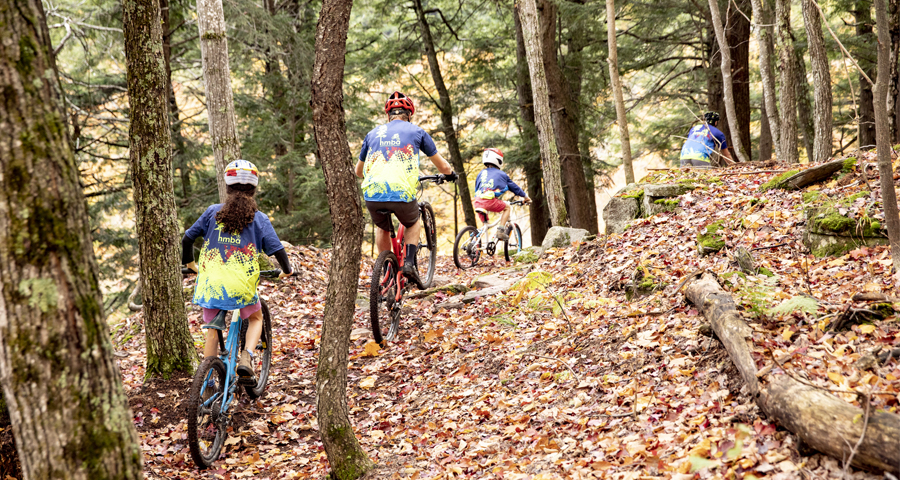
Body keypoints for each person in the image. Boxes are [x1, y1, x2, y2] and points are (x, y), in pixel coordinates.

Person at [182, 159, 292, 383]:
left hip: (210, 284)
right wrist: (287, 270)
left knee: (212, 330)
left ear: (227, 186)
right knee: (256, 318)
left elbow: (187, 237)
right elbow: (277, 249)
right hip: (241, 286)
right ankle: (247, 357)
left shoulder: (213, 212)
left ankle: (208, 379)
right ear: (254, 188)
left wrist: (190, 264)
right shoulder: (258, 218)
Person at [355, 91, 457, 288]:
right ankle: (409, 264)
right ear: (409, 115)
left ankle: (386, 268)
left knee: (383, 227)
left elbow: (359, 172)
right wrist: (451, 174)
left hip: (373, 195)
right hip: (401, 193)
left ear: (388, 115)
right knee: (412, 222)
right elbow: (443, 167)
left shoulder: (372, 134)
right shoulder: (417, 132)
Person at [473, 148, 531, 243]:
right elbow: (514, 188)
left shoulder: (481, 173)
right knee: (507, 207)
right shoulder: (502, 174)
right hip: (489, 202)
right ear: (499, 160)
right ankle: (500, 231)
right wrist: (525, 197)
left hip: (478, 202)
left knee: (486, 225)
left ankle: (477, 242)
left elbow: (476, 188)